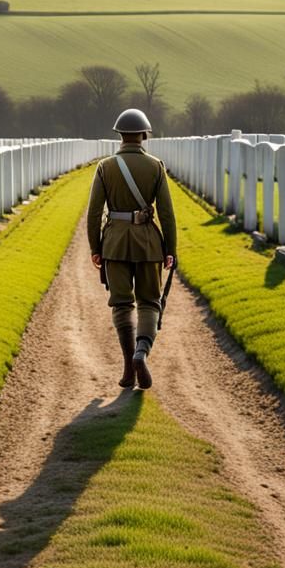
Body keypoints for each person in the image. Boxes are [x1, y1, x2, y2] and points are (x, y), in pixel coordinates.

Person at [87, 108, 176, 389]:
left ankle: (128, 365)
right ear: (144, 135)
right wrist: (170, 249)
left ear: (120, 136)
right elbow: (166, 213)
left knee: (122, 304)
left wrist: (95, 247)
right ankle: (141, 353)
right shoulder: (156, 166)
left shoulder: (105, 167)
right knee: (149, 302)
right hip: (148, 243)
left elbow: (93, 213)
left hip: (114, 243)